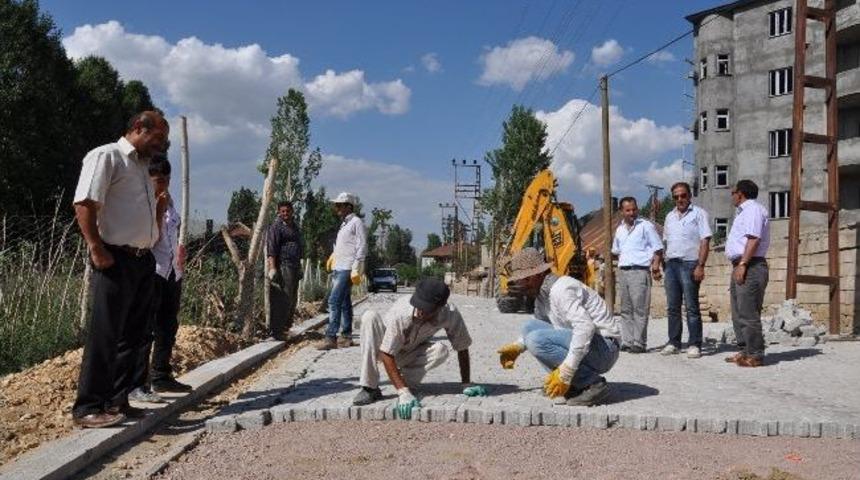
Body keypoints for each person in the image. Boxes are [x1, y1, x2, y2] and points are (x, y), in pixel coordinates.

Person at [71, 111, 169, 428]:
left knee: (134, 335)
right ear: (139, 129)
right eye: (158, 138)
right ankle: (88, 407)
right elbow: (84, 203)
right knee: (106, 333)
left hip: (142, 259)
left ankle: (117, 401)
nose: (162, 146)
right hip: (114, 257)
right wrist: (96, 248)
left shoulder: (141, 167)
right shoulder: (106, 156)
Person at [496, 248, 620, 406]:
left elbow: (585, 328)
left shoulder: (561, 290)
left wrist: (567, 371)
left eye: (525, 279)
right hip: (593, 345)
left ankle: (593, 384)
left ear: (539, 275)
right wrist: (518, 346)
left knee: (536, 340)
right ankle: (573, 387)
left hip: (605, 348)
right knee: (529, 328)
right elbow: (539, 326)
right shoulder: (542, 294)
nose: (522, 284)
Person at [352, 278, 486, 418]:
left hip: (409, 352)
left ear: (440, 307)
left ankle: (406, 384)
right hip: (382, 348)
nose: (420, 312)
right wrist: (402, 392)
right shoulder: (402, 312)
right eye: (419, 306)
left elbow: (462, 346)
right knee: (369, 317)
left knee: (441, 350)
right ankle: (370, 388)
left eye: (426, 309)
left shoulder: (450, 313)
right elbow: (386, 353)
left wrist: (466, 383)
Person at [661, 182, 712, 359]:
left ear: (689, 196)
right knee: (673, 307)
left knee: (692, 306)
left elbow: (705, 241)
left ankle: (694, 344)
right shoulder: (669, 217)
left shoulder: (699, 214)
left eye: (683, 195)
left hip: (690, 264)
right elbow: (666, 241)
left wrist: (701, 265)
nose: (680, 199)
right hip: (672, 265)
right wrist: (663, 263)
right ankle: (674, 342)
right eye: (676, 197)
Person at [724, 179, 770, 368]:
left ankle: (755, 354)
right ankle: (745, 350)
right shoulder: (743, 212)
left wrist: (743, 264)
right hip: (741, 264)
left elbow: (754, 239)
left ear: (740, 193)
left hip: (750, 265)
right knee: (738, 312)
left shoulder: (752, 210)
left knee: (749, 312)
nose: (731, 195)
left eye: (733, 192)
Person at [611, 197, 663, 353]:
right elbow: (616, 251)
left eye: (634, 209)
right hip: (624, 271)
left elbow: (658, 248)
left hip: (640, 271)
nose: (631, 213)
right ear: (622, 211)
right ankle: (627, 341)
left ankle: (639, 343)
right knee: (625, 309)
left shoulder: (645, 226)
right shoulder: (619, 229)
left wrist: (655, 266)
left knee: (640, 309)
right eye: (628, 210)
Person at [316, 192, 367, 350]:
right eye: (336, 205)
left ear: (348, 206)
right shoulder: (344, 223)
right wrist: (334, 255)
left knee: (333, 301)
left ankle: (331, 337)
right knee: (344, 303)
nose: (336, 207)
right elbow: (345, 245)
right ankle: (346, 336)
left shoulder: (356, 222)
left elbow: (362, 244)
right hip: (340, 266)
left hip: (347, 268)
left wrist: (357, 266)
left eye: (339, 205)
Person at [266, 200, 304, 340]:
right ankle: (277, 331)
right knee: (283, 298)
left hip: (294, 265)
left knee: (292, 299)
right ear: (278, 212)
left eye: (288, 211)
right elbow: (272, 249)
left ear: (292, 211)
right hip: (284, 265)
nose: (285, 214)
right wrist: (272, 268)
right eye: (282, 211)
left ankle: (286, 328)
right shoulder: (276, 227)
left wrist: (300, 266)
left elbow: (299, 246)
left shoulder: (294, 227)